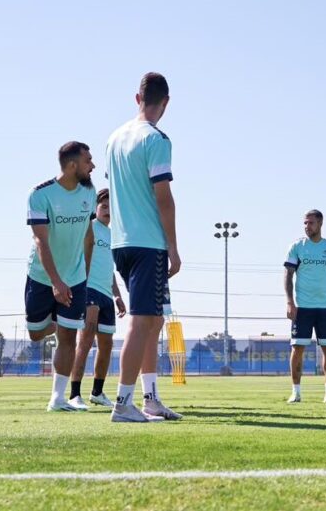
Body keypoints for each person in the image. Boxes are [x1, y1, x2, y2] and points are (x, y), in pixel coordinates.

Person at [107, 72, 183, 423]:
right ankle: (123, 402)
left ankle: (150, 398)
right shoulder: (156, 139)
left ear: (137, 98)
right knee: (141, 323)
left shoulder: (114, 139)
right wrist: (173, 246)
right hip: (147, 242)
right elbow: (163, 198)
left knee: (153, 321)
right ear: (165, 103)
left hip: (121, 243)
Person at [24, 141, 96, 411]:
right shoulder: (40, 194)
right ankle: (56, 318)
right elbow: (41, 241)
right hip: (42, 277)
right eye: (88, 160)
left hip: (75, 278)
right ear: (73, 164)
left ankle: (57, 398)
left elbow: (89, 237)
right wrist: (56, 281)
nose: (93, 165)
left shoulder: (88, 193)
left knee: (68, 336)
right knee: (35, 333)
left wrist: (83, 276)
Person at [69, 188, 127, 409]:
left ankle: (97, 392)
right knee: (85, 341)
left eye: (111, 209)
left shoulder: (113, 236)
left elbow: (110, 269)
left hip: (106, 294)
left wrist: (118, 295)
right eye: (104, 207)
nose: (108, 212)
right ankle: (75, 394)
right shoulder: (88, 228)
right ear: (95, 208)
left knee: (106, 345)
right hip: (89, 290)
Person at [285, 209, 326, 404]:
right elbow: (288, 275)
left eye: (310, 223)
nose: (307, 226)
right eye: (305, 223)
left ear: (320, 224)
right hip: (302, 308)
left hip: (325, 308)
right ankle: (296, 392)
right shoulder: (297, 247)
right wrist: (289, 302)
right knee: (298, 348)